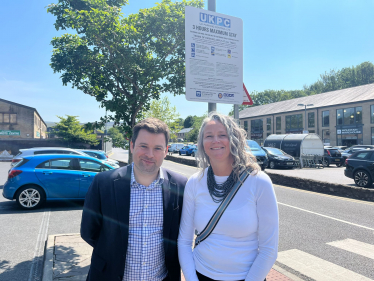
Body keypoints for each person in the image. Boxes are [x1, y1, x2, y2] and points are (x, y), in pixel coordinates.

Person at [81, 118, 187, 281]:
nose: (150, 155)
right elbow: (89, 232)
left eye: (157, 148)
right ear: (131, 145)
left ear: (166, 150)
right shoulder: (103, 183)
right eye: (143, 146)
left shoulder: (180, 186)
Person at [178, 112, 279, 281]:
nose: (215, 140)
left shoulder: (259, 182)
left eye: (222, 135)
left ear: (234, 139)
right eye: (209, 136)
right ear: (202, 143)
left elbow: (269, 249)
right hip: (201, 274)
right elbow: (184, 241)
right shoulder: (195, 182)